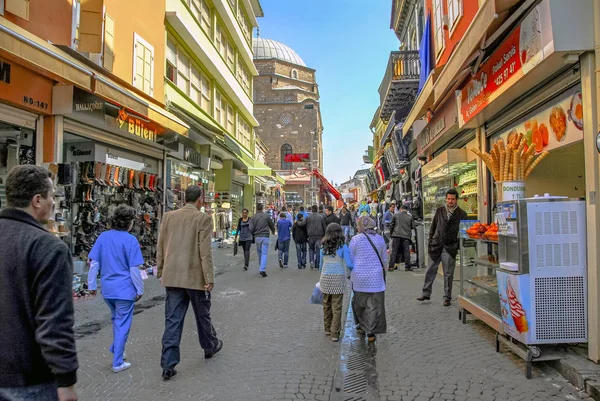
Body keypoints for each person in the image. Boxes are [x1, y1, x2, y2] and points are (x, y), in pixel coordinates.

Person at [0, 165, 78, 401]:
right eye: (52, 196)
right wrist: (66, 379)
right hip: (29, 380)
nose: (53, 203)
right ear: (37, 200)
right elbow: (55, 321)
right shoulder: (48, 247)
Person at [157, 185, 222, 381]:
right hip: (195, 277)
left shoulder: (169, 217)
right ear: (200, 199)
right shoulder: (202, 219)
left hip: (173, 276)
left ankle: (168, 364)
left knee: (172, 320)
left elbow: (160, 245)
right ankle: (209, 346)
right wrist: (209, 278)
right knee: (202, 316)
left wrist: (160, 268)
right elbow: (205, 252)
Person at [88, 205, 144, 373]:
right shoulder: (131, 240)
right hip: (125, 290)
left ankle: (117, 349)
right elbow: (134, 269)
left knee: (116, 320)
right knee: (122, 323)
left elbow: (94, 263)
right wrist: (139, 289)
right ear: (129, 222)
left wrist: (91, 285)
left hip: (108, 289)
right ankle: (117, 362)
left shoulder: (103, 237)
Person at [417, 189, 468, 306]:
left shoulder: (462, 214)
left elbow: (464, 231)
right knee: (430, 270)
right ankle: (426, 293)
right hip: (436, 245)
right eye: (449, 199)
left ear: (456, 200)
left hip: (450, 247)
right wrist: (430, 241)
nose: (450, 201)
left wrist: (458, 245)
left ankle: (447, 297)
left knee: (448, 274)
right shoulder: (440, 211)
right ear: (446, 199)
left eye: (453, 199)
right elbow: (433, 226)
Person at [349, 216, 388, 342]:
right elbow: (384, 259)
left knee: (359, 304)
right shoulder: (380, 239)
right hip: (376, 278)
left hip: (359, 277)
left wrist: (350, 273)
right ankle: (371, 331)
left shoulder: (355, 240)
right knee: (374, 306)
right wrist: (384, 272)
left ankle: (361, 326)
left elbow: (351, 259)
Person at [319, 223, 353, 342]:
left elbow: (320, 265)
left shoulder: (323, 246)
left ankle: (327, 328)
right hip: (338, 278)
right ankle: (335, 333)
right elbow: (349, 264)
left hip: (325, 277)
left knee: (326, 304)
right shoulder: (343, 247)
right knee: (337, 306)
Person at [249, 203, 275, 277]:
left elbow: (250, 228)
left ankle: (261, 267)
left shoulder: (253, 217)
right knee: (264, 253)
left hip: (257, 237)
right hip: (265, 236)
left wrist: (253, 233)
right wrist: (273, 231)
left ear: (256, 208)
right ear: (262, 208)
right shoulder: (266, 216)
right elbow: (271, 224)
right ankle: (262, 269)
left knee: (259, 253)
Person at [388, 204, 414, 272]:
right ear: (407, 210)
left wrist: (391, 234)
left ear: (400, 209)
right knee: (406, 252)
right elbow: (412, 226)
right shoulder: (409, 217)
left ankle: (391, 266)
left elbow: (391, 225)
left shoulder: (396, 215)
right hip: (406, 236)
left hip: (396, 235)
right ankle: (407, 266)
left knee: (394, 251)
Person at [306, 204, 327, 270]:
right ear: (317, 209)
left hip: (311, 235)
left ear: (312, 210)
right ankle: (317, 265)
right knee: (318, 250)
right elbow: (324, 227)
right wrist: (325, 235)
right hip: (319, 236)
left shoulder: (308, 217)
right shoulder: (321, 217)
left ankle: (311, 261)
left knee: (311, 248)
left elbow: (304, 224)